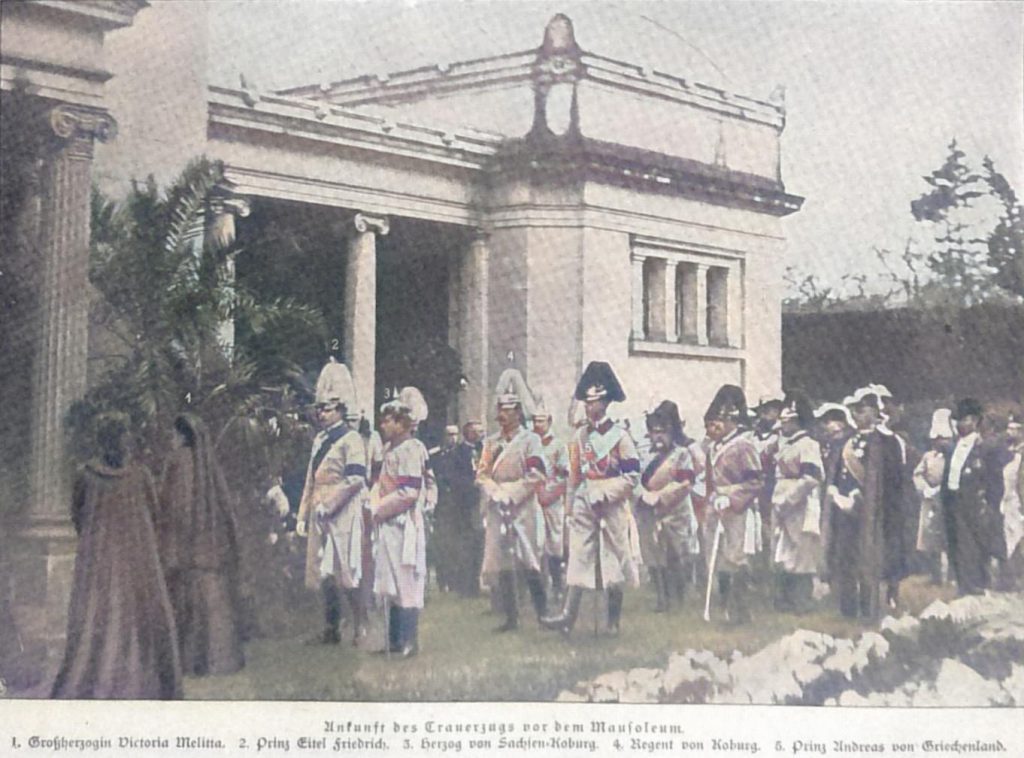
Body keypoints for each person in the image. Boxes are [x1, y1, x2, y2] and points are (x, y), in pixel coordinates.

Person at [52, 413, 181, 699]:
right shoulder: (136, 477)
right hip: (136, 562)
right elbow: (155, 515)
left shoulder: (89, 476)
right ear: (114, 440)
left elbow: (79, 518)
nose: (127, 441)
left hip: (102, 563)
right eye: (122, 435)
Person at [541, 361, 640, 637]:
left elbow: (632, 477)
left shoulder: (621, 437)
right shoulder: (580, 435)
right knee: (579, 556)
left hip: (611, 503)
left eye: (593, 401)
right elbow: (574, 475)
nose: (587, 406)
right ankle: (567, 617)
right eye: (586, 401)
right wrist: (571, 508)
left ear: (605, 402)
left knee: (613, 557)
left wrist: (606, 492)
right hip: (585, 501)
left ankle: (613, 622)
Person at [156, 413, 245, 676]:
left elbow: (175, 506)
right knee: (212, 602)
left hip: (184, 546)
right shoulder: (208, 464)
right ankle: (219, 661)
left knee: (186, 600)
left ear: (183, 436)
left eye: (173, 435)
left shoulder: (178, 460)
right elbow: (225, 508)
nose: (170, 440)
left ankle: (188, 662)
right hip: (210, 547)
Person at [296, 359, 368, 646]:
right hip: (319, 511)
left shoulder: (351, 440)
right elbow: (310, 481)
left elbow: (355, 480)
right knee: (322, 573)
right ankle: (330, 629)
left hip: (343, 513)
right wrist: (303, 514)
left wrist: (332, 505)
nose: (321, 414)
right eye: (319, 409)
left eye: (326, 409)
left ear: (340, 410)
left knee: (346, 573)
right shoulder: (319, 440)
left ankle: (360, 626)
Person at [476, 368, 548, 632]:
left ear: (518, 412)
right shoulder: (491, 442)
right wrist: (494, 492)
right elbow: (482, 474)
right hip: (498, 505)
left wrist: (513, 494)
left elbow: (536, 474)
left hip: (522, 506)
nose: (502, 414)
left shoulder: (530, 441)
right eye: (500, 409)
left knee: (528, 559)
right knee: (502, 561)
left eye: (508, 409)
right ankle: (511, 617)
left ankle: (543, 613)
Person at [824, 387, 904, 620]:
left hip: (872, 513)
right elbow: (837, 474)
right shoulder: (847, 443)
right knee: (845, 558)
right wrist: (836, 492)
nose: (856, 415)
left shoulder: (887, 443)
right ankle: (847, 610)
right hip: (844, 511)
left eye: (861, 410)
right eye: (853, 411)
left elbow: (892, 483)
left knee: (869, 559)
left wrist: (858, 499)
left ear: (874, 411)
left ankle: (869, 609)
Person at [370, 387, 431, 657]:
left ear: (402, 423)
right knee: (389, 582)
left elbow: (408, 492)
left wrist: (378, 509)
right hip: (387, 524)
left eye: (388, 420)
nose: (384, 425)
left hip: (404, 524)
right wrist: (373, 503)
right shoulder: (389, 449)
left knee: (407, 581)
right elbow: (380, 485)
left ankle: (410, 641)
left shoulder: (411, 449)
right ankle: (393, 640)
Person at [702, 385, 763, 625]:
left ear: (731, 421)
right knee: (714, 557)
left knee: (735, 557)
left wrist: (733, 497)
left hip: (737, 509)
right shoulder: (713, 447)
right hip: (715, 505)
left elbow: (755, 481)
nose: (713, 427)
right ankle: (723, 606)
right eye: (712, 421)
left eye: (718, 421)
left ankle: (741, 610)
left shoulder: (744, 445)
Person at [635, 400, 699, 612]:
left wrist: (661, 497)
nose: (659, 436)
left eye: (663, 431)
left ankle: (677, 599)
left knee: (675, 555)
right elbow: (633, 480)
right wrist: (643, 497)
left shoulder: (681, 454)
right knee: (653, 556)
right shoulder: (642, 454)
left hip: (675, 511)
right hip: (647, 511)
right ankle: (661, 598)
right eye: (655, 432)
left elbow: (685, 483)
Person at [941, 398, 1004, 596]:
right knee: (955, 544)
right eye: (958, 420)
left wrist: (990, 505)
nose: (961, 424)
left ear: (976, 421)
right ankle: (963, 585)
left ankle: (976, 586)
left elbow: (995, 481)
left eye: (966, 419)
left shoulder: (985, 448)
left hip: (975, 503)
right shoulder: (953, 448)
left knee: (973, 546)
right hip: (953, 501)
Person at [769, 391, 824, 613]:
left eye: (788, 420)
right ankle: (785, 598)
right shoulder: (784, 443)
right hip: (781, 499)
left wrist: (789, 499)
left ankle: (803, 600)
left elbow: (811, 478)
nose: (783, 424)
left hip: (799, 502)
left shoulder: (808, 444)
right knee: (784, 550)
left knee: (801, 551)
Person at [533, 398, 569, 602]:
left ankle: (557, 585)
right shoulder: (530, 444)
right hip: (533, 499)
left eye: (541, 421)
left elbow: (565, 475)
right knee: (536, 543)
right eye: (535, 421)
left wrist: (550, 493)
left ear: (549, 422)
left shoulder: (557, 445)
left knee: (555, 543)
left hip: (552, 500)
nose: (537, 425)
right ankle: (538, 587)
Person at [912, 409, 954, 584]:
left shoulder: (953, 457)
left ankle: (952, 575)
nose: (939, 443)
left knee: (950, 538)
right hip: (929, 502)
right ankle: (935, 575)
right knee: (931, 540)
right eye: (936, 439)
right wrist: (925, 488)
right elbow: (917, 474)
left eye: (943, 439)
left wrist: (942, 490)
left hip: (948, 502)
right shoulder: (928, 456)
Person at [999, 413, 1024, 589]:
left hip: (1019, 498)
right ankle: (1009, 576)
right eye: (1008, 428)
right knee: (1007, 535)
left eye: (1013, 429)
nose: (1009, 432)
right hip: (1005, 498)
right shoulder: (1005, 451)